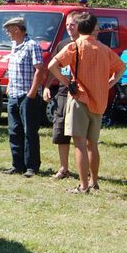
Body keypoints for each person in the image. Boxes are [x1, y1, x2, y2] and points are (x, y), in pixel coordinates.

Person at [48, 12, 126, 194]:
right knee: (93, 144)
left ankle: (83, 185)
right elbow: (121, 68)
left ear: (79, 27)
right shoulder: (105, 49)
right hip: (99, 101)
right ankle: (94, 181)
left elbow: (53, 65)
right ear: (93, 28)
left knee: (80, 144)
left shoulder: (75, 46)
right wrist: (110, 83)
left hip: (79, 99)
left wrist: (67, 82)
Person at [2, 16, 45, 178]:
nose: (8, 33)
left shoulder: (32, 45)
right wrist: (8, 87)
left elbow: (40, 69)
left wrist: (32, 92)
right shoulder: (14, 46)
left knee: (29, 132)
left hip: (27, 95)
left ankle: (32, 166)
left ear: (17, 29)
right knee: (14, 131)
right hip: (13, 94)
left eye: (9, 29)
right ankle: (17, 164)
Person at [43, 11, 82, 180]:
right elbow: (54, 68)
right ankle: (63, 168)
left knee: (80, 134)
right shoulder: (62, 44)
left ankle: (83, 169)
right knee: (60, 132)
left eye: (72, 24)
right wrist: (46, 87)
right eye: (67, 25)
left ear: (80, 25)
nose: (69, 28)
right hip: (62, 95)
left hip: (80, 95)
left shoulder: (85, 45)